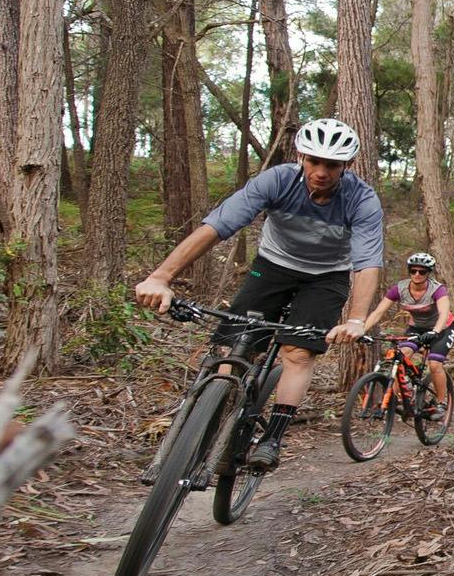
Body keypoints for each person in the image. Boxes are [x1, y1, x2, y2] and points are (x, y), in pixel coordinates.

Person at [134, 118, 384, 475]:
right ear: (301, 156)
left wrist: (357, 318)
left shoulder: (362, 199)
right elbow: (218, 226)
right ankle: (214, 418)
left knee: (297, 352)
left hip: (326, 277)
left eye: (332, 164)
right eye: (314, 160)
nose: (321, 171)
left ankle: (272, 439)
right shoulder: (278, 180)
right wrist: (161, 277)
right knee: (235, 345)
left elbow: (367, 262)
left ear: (346, 165)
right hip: (272, 266)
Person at [361, 251, 454, 415]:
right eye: (413, 271)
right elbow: (378, 313)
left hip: (442, 328)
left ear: (428, 273)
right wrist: (361, 331)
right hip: (416, 328)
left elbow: (444, 313)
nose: (417, 275)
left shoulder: (437, 289)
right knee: (400, 356)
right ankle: (396, 396)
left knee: (434, 364)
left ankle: (441, 402)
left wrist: (435, 332)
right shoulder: (400, 289)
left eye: (422, 271)